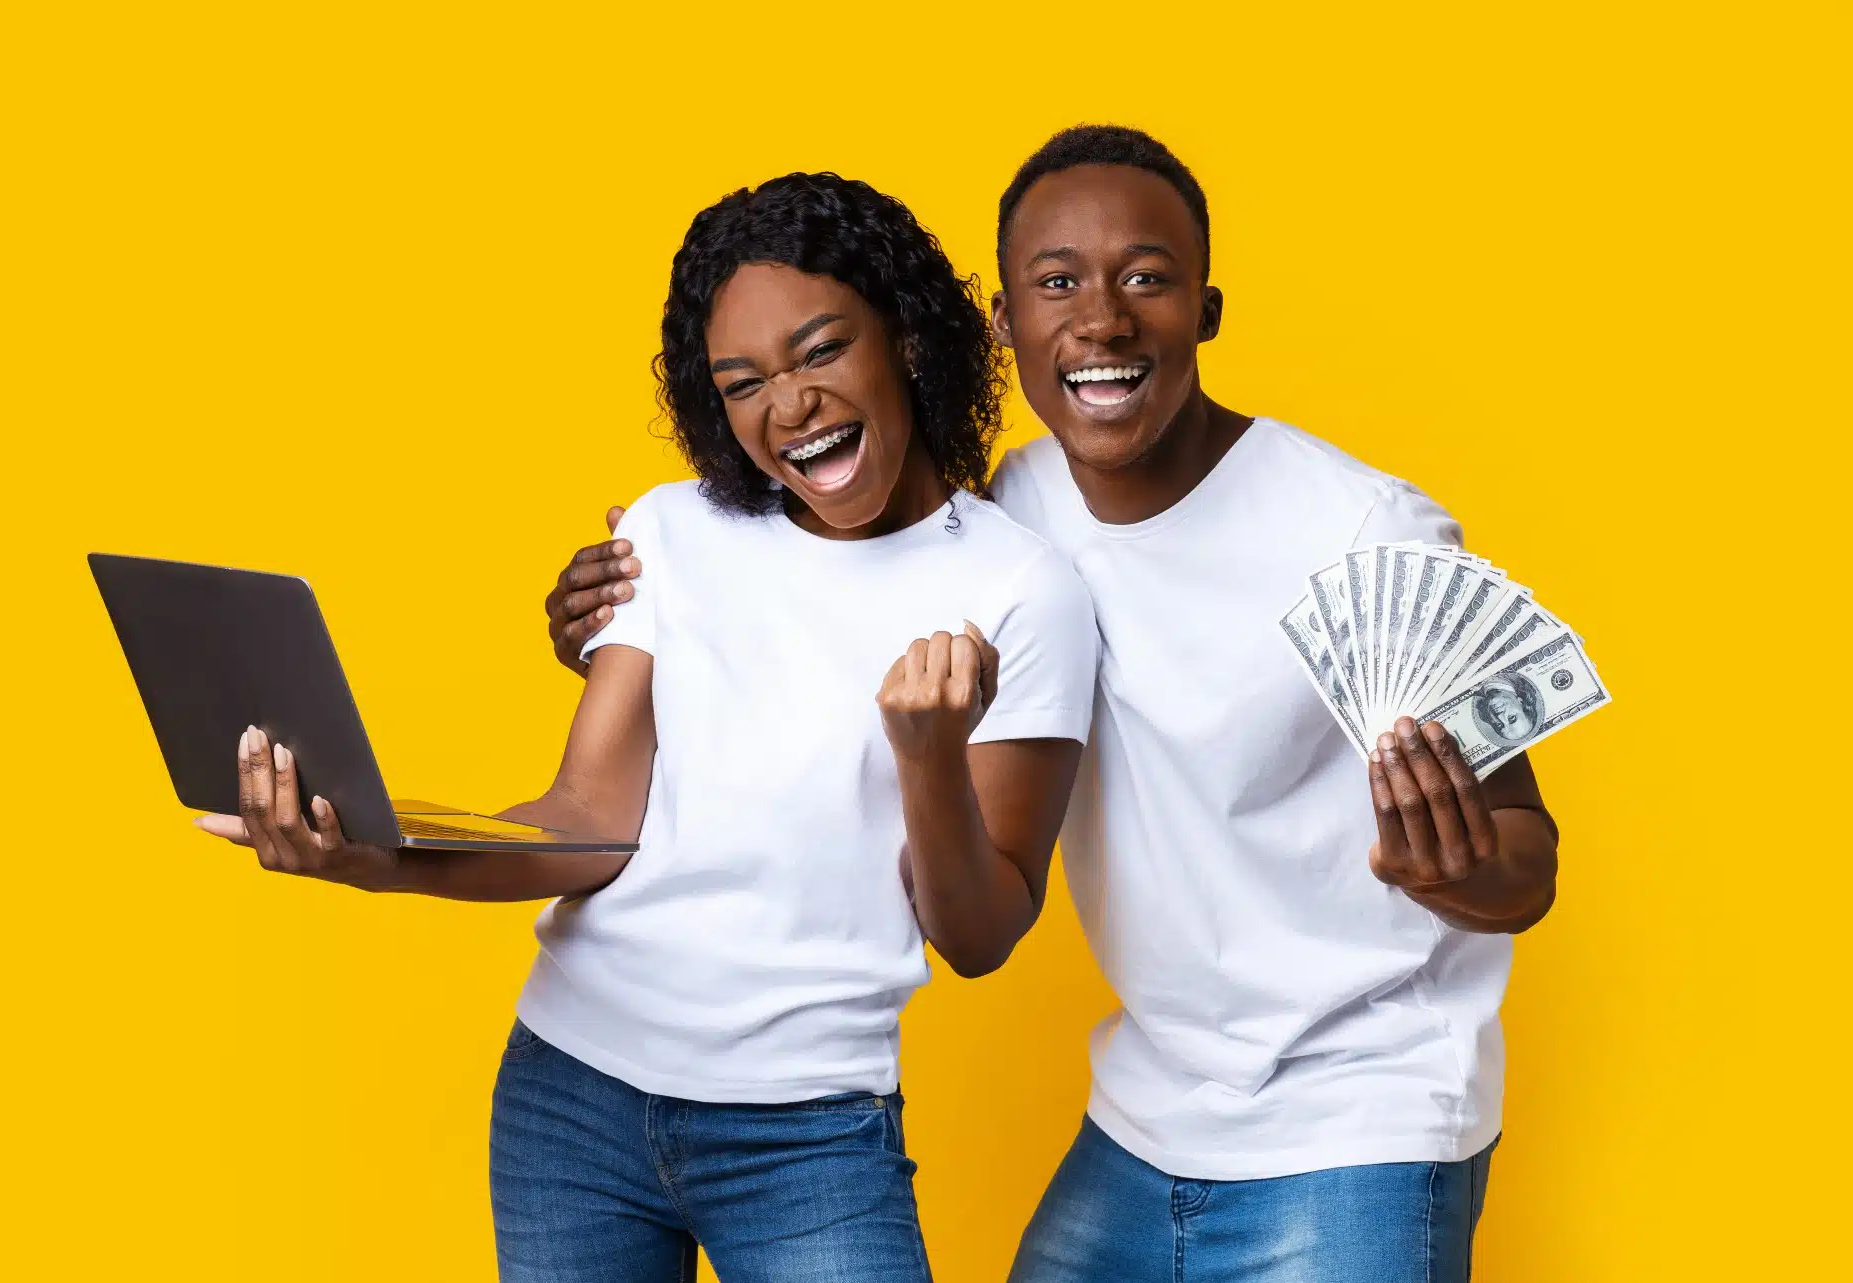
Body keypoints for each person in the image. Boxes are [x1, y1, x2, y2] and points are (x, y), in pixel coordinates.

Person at [547, 127, 1562, 1283]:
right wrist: (617, 620)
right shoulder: (1008, 515)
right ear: (1003, 325)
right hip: (1146, 1116)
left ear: (1207, 308)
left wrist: (1457, 870)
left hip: (1365, 1122)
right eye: (1059, 282)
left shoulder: (1369, 533)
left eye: (1146, 278)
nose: (1103, 319)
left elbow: (1530, 859)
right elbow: (818, 594)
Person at [197, 172, 1099, 1283]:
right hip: (570, 1098)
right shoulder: (676, 530)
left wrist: (926, 758)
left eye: (821, 352)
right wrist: (367, 855)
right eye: (743, 383)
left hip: (804, 1134)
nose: (790, 406)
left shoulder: (1021, 588)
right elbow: (587, 818)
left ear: (904, 337)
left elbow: (979, 934)